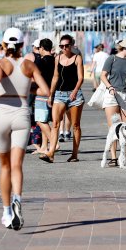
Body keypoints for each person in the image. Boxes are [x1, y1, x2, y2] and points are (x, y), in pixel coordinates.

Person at [0, 28, 49, 230]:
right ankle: (18, 198)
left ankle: (7, 211)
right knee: (17, 165)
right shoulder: (29, 65)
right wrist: (27, 87)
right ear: (21, 45)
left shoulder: (0, 63)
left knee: (5, 166)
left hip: (2, 113)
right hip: (22, 114)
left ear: (3, 44)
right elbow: (45, 90)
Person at [40, 34, 85, 163]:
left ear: (71, 46)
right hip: (59, 94)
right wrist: (51, 95)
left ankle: (74, 154)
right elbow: (55, 77)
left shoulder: (77, 58)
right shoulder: (57, 58)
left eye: (66, 46)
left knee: (75, 125)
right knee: (55, 124)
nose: (64, 48)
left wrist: (75, 91)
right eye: (61, 46)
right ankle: (51, 153)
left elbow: (81, 77)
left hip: (74, 95)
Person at [100, 37, 126, 167]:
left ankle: (124, 155)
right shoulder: (112, 59)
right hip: (112, 93)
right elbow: (103, 75)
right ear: (124, 48)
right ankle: (113, 157)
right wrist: (110, 87)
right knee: (113, 127)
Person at [33, 39, 56, 154]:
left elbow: (33, 77)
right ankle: (44, 147)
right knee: (46, 121)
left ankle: (54, 143)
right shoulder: (56, 60)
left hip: (42, 93)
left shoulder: (40, 62)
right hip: (54, 93)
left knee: (40, 121)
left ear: (41, 48)